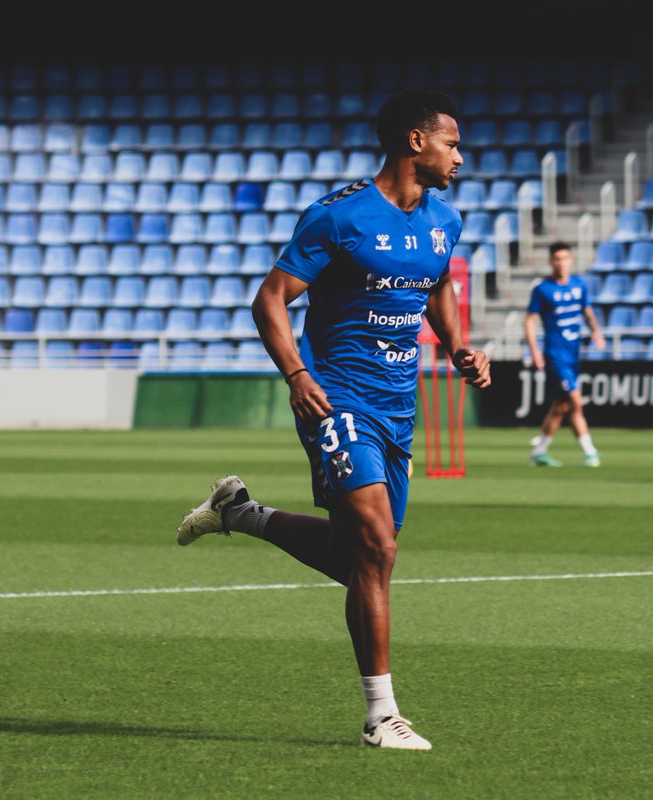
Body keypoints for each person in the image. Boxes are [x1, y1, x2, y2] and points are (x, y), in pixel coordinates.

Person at [176, 87, 491, 751]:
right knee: (378, 546)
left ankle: (240, 513)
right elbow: (270, 300)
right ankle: (382, 716)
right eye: (452, 142)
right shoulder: (340, 217)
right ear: (415, 141)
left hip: (397, 407)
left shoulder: (444, 219)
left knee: (359, 557)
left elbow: (437, 283)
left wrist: (458, 344)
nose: (460, 155)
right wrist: (299, 376)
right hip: (338, 398)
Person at [523, 242, 606, 467]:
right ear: (551, 261)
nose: (561, 263)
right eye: (557, 258)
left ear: (570, 260)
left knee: (561, 406)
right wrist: (534, 350)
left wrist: (596, 332)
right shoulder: (543, 289)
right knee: (575, 399)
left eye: (565, 258)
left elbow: (587, 312)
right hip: (555, 354)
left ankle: (539, 452)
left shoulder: (579, 286)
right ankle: (590, 451)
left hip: (573, 354)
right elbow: (530, 320)